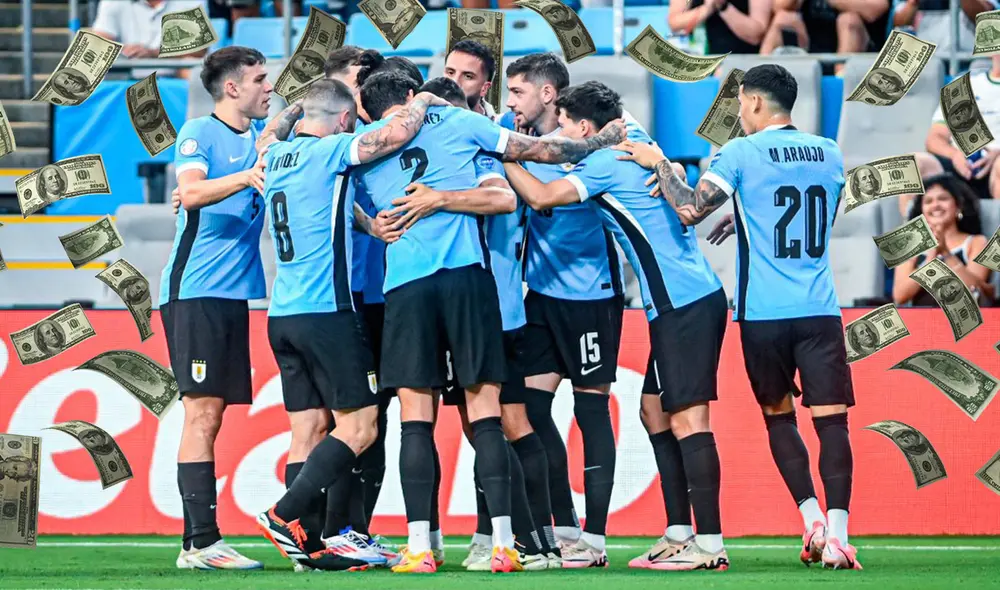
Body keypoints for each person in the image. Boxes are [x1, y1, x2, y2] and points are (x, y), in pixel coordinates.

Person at [351, 69, 625, 574]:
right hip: (474, 287)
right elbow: (538, 159)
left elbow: (318, 193)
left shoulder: (359, 146)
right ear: (414, 95)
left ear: (368, 110)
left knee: (418, 420)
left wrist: (371, 223)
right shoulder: (462, 126)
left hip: (408, 288)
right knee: (490, 417)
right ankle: (504, 544)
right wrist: (608, 136)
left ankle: (423, 547)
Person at [621, 64, 862, 570]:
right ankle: (838, 535)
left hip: (763, 315)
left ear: (753, 102)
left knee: (779, 419)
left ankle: (811, 517)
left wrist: (657, 160)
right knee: (833, 424)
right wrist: (751, 216)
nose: (737, 111)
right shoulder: (830, 151)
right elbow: (819, 215)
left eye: (739, 102)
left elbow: (688, 209)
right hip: (819, 309)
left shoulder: (738, 152)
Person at [504, 81, 730, 572]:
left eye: (565, 124)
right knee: (654, 411)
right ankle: (677, 532)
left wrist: (506, 156)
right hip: (682, 300)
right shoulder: (631, 136)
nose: (562, 134)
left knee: (690, 419)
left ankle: (709, 546)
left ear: (585, 127)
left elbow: (542, 196)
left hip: (683, 303)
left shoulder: (604, 163)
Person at [255, 79, 448, 571]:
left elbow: (270, 136)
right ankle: (284, 514)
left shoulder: (275, 152)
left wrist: (294, 105)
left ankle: (309, 545)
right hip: (329, 314)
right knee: (361, 427)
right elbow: (397, 134)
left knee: (309, 430)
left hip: (283, 316)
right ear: (344, 120)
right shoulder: (334, 150)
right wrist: (421, 99)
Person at [408, 76, 560, 571]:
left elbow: (509, 200)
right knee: (483, 426)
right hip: (470, 305)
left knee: (500, 424)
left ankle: (534, 539)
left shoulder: (487, 156)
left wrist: (437, 197)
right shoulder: (469, 152)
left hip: (491, 310)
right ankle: (487, 537)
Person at [162, 45, 282, 571]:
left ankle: (198, 543)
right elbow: (188, 193)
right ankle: (202, 542)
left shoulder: (263, 136)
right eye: (259, 79)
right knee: (202, 413)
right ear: (232, 88)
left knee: (213, 414)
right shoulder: (198, 131)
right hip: (196, 291)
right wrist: (245, 176)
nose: (268, 87)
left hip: (233, 295)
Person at [503, 53, 622, 568]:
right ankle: (565, 523)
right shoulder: (526, 142)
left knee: (590, 410)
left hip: (591, 297)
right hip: (542, 296)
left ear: (548, 95)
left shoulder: (601, 142)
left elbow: (544, 193)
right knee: (530, 410)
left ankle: (595, 540)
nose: (510, 104)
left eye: (517, 92)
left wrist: (503, 154)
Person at [905, 55, 1000, 215]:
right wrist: (955, 155)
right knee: (911, 165)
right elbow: (934, 138)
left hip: (995, 165)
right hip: (958, 164)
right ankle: (919, 238)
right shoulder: (966, 85)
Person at [893, 174, 991, 306]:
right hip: (922, 322)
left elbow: (975, 289)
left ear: (958, 206)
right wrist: (930, 260)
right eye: (928, 201)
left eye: (943, 199)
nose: (935, 205)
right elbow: (900, 296)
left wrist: (945, 253)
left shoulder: (977, 242)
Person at [761, 0, 890, 57]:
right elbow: (779, 6)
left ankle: (840, 83)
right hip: (809, 47)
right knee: (783, 18)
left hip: (857, 48)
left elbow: (875, 9)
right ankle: (756, 81)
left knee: (849, 20)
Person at [91, 0, 207, 59]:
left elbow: (199, 49)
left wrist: (152, 53)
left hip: (175, 71)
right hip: (125, 72)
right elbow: (98, 43)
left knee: (191, 71)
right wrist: (124, 51)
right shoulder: (112, 2)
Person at [893, 0, 1000, 55]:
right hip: (927, 61)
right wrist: (913, 2)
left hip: (971, 61)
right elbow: (899, 23)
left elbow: (985, 18)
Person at [669, 0, 774, 55]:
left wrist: (724, 7)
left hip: (740, 59)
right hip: (699, 58)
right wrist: (706, 9)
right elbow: (674, 23)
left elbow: (756, 36)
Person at [444, 40, 496, 117]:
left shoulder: (498, 125)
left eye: (468, 76)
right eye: (450, 73)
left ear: (484, 88)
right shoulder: (425, 113)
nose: (454, 82)